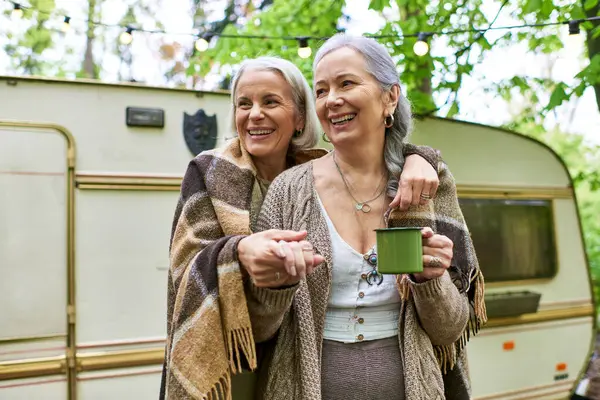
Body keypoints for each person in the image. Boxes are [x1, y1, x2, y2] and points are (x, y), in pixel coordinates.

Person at [160, 55, 442, 399]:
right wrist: (238, 251)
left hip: (284, 354)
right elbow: (186, 268)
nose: (254, 114)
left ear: (298, 117)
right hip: (228, 359)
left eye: (270, 101)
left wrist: (420, 157)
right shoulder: (211, 173)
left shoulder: (311, 171)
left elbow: (375, 149)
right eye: (243, 104)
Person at [249, 35, 487, 400]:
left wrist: (430, 280)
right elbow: (258, 327)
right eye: (322, 90)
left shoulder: (426, 185)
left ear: (390, 97)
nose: (332, 100)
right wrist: (277, 287)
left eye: (347, 83)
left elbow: (450, 330)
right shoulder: (288, 190)